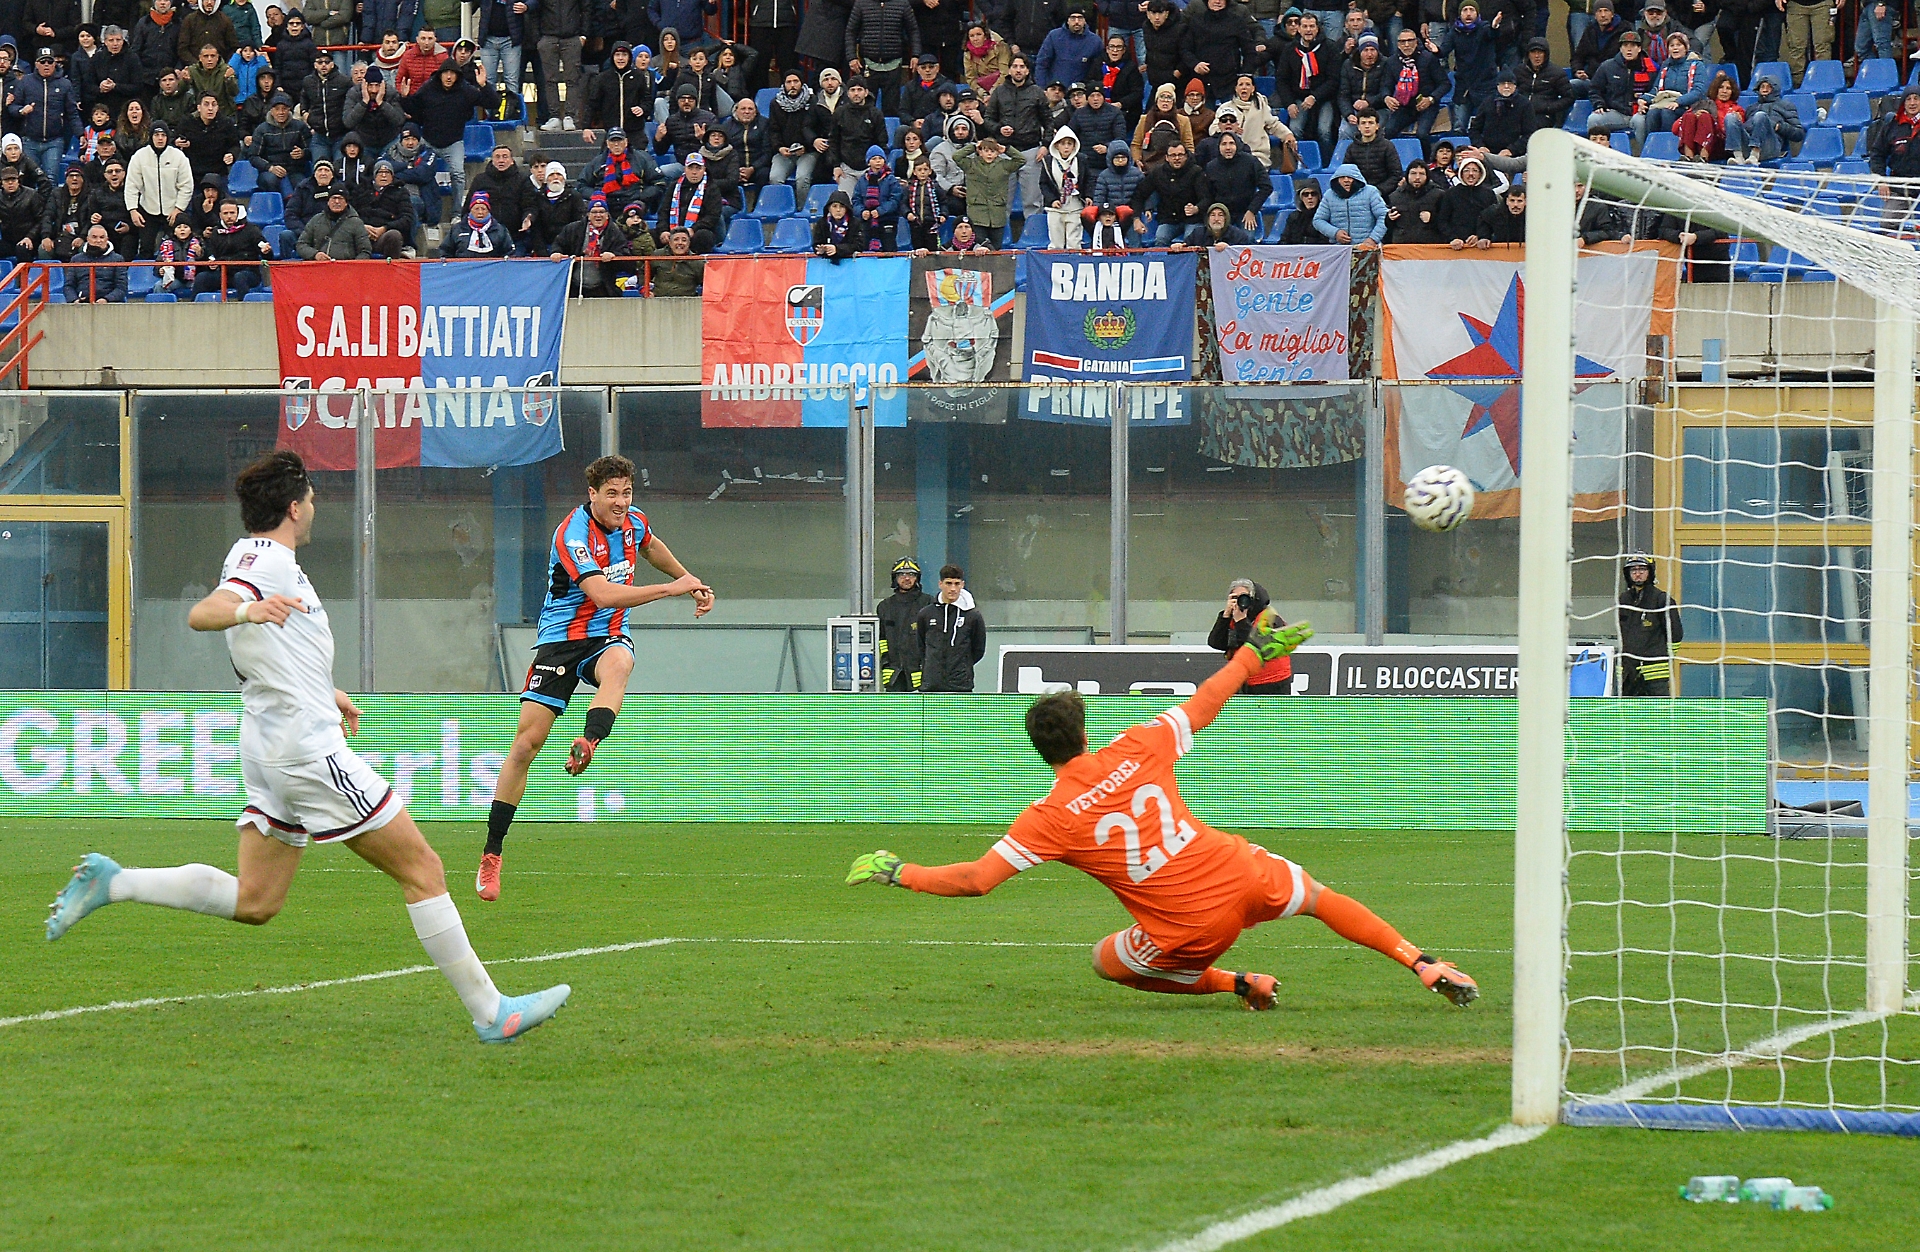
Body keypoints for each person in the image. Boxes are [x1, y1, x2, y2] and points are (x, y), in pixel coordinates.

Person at [46, 452, 572, 1044]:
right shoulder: (266, 561)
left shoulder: (260, 558)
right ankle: (491, 1012)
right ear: (294, 508)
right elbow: (204, 613)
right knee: (423, 868)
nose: (316, 507)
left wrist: (328, 689)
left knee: (256, 900)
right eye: (313, 499)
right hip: (305, 750)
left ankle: (114, 882)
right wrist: (245, 608)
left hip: (271, 744)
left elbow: (276, 649)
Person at [845, 611, 1480, 1013]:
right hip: (1235, 869)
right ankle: (1421, 961)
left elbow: (975, 880)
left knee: (1106, 961)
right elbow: (1207, 701)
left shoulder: (1048, 817)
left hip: (1189, 928)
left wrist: (899, 871)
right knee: (1316, 896)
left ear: (1040, 752)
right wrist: (1251, 655)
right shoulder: (1139, 745)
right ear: (1085, 732)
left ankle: (1237, 982)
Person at [479, 454, 712, 901]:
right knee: (525, 746)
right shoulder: (573, 534)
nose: (621, 502)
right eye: (612, 494)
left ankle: (589, 742)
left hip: (608, 637)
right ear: (592, 494)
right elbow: (602, 595)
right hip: (561, 641)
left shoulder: (634, 522)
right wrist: (671, 589)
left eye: (627, 492)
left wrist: (690, 579)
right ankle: (492, 852)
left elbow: (651, 546)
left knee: (620, 665)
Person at [1208, 579, 1292, 694]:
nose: (1240, 602)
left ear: (1254, 599)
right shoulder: (1234, 617)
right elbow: (1216, 643)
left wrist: (1241, 621)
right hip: (1244, 680)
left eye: (1244, 597)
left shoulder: (1270, 618)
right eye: (1235, 598)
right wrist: (1225, 616)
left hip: (1272, 682)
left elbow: (1260, 646)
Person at [911, 564, 985, 693]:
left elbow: (978, 649)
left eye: (957, 584)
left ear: (962, 585)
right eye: (948, 583)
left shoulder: (973, 616)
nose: (953, 589)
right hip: (931, 685)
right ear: (940, 584)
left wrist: (962, 666)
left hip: (961, 685)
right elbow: (921, 646)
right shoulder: (926, 614)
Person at [126, 121, 193, 256]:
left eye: (163, 135)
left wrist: (178, 208)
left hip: (173, 211)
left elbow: (186, 186)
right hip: (148, 209)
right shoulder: (139, 156)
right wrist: (132, 209)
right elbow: (131, 185)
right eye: (156, 135)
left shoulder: (179, 157)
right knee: (146, 248)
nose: (160, 138)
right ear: (151, 137)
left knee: (176, 248)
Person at [1617, 554, 1680, 696]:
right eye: (1633, 570)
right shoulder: (1623, 600)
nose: (1637, 574)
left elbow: (1676, 634)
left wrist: (1665, 657)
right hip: (1628, 671)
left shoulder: (1661, 599)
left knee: (1658, 709)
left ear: (1650, 572)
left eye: (1642, 569)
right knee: (1627, 709)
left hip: (1655, 672)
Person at [554, 193, 635, 293]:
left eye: (601, 212)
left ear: (607, 215)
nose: (598, 215)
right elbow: (559, 244)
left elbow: (626, 258)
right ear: (588, 215)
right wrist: (556, 252)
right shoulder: (572, 229)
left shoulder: (615, 232)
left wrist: (614, 255)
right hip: (574, 287)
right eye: (594, 212)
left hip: (603, 288)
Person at [1131, 138, 1207, 244]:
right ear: (1167, 158)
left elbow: (1207, 198)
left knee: (1191, 240)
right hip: (1168, 219)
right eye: (1173, 155)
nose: (1177, 158)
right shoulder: (1158, 173)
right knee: (1160, 239)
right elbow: (1139, 195)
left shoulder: (1196, 172)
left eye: (1180, 155)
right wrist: (1136, 218)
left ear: (1186, 156)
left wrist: (1196, 208)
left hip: (1192, 220)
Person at [877, 557, 932, 690]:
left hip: (921, 674)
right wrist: (886, 665)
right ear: (894, 578)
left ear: (917, 578)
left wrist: (925, 668)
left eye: (911, 574)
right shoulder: (885, 607)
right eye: (902, 574)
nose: (907, 578)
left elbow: (934, 640)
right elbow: (881, 640)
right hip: (894, 675)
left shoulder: (928, 603)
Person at [1313, 160, 1387, 247]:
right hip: (1339, 248)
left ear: (1357, 179)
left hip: (1368, 247)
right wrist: (1335, 233)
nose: (1346, 180)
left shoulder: (1371, 192)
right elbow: (1318, 220)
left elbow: (1384, 216)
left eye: (1350, 177)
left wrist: (1373, 239)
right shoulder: (1329, 195)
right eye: (1342, 177)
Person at [294, 181, 371, 257]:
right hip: (320, 264)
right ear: (328, 202)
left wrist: (352, 264)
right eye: (334, 198)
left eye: (340, 198)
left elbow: (365, 251)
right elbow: (301, 244)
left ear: (346, 202)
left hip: (345, 265)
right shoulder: (316, 220)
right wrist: (315, 254)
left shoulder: (356, 223)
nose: (337, 202)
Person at [1386, 158, 1444, 242]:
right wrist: (1389, 219)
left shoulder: (1438, 195)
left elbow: (1446, 222)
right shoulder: (1395, 196)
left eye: (1421, 174)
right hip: (1402, 245)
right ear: (1407, 175)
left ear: (1427, 176)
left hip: (1429, 245)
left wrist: (1432, 218)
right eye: (1413, 173)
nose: (1417, 177)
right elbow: (1389, 227)